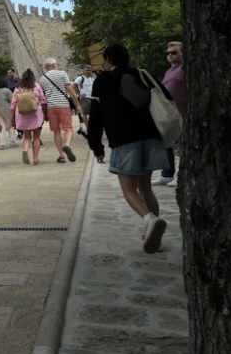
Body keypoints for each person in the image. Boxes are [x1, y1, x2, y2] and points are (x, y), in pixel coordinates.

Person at [86, 43, 171, 254]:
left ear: (108, 60)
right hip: (151, 137)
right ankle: (152, 235)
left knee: (128, 188)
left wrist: (96, 146)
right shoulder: (142, 75)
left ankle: (150, 220)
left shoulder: (103, 80)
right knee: (146, 187)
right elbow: (166, 97)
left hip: (124, 140)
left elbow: (95, 116)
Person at [39, 57, 87, 163]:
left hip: (51, 106)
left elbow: (42, 96)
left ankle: (61, 156)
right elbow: (70, 90)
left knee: (56, 131)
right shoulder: (62, 74)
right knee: (68, 128)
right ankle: (67, 145)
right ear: (53, 65)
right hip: (63, 105)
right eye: (57, 64)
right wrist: (77, 104)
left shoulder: (42, 79)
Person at [153, 41, 185, 187]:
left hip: (182, 112)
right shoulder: (169, 71)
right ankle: (167, 174)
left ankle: (183, 175)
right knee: (166, 143)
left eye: (174, 52)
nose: (170, 55)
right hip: (169, 114)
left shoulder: (184, 68)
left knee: (183, 145)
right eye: (168, 53)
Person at [11, 69, 47, 165]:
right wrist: (45, 113)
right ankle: (35, 158)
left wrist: (12, 118)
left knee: (27, 137)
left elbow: (13, 104)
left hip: (22, 114)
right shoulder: (36, 86)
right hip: (35, 114)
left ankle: (25, 150)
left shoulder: (18, 88)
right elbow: (43, 100)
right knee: (36, 137)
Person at [0, 78, 16, 148]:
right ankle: (12, 141)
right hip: (7, 110)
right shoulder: (7, 90)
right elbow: (12, 101)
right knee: (10, 125)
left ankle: (2, 144)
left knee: (0, 126)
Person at [73, 65, 96, 135]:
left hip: (92, 98)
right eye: (87, 70)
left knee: (93, 113)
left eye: (90, 70)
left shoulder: (92, 79)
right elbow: (73, 85)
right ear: (83, 71)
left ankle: (91, 127)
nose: (88, 71)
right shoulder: (81, 78)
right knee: (85, 114)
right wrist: (78, 94)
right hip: (85, 98)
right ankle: (89, 129)